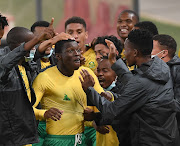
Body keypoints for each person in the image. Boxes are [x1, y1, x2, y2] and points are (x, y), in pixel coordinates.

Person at [79, 29, 180, 146]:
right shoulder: (160, 66)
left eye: (126, 50)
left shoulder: (141, 83)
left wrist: (90, 90)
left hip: (150, 141)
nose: (124, 54)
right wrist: (114, 62)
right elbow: (137, 84)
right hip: (167, 138)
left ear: (135, 53)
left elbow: (111, 112)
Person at [32, 39, 104, 146]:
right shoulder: (44, 77)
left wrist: (95, 116)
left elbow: (105, 101)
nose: (77, 54)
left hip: (81, 139)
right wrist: (44, 113)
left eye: (78, 50)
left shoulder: (86, 73)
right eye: (71, 51)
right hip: (56, 140)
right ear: (58, 56)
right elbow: (28, 110)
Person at [0, 22, 58, 145]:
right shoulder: (4, 66)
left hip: (25, 134)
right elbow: (6, 64)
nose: (34, 48)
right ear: (21, 47)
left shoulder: (24, 64)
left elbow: (35, 55)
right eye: (32, 45)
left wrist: (51, 41)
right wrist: (36, 38)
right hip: (9, 138)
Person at [152, 34, 180, 135]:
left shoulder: (177, 71)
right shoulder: (152, 69)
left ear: (163, 53)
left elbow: (177, 105)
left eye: (151, 48)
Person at [94, 58, 119, 146]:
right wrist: (95, 123)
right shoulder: (95, 93)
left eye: (105, 71)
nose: (100, 74)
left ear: (116, 74)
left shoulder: (124, 92)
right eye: (98, 70)